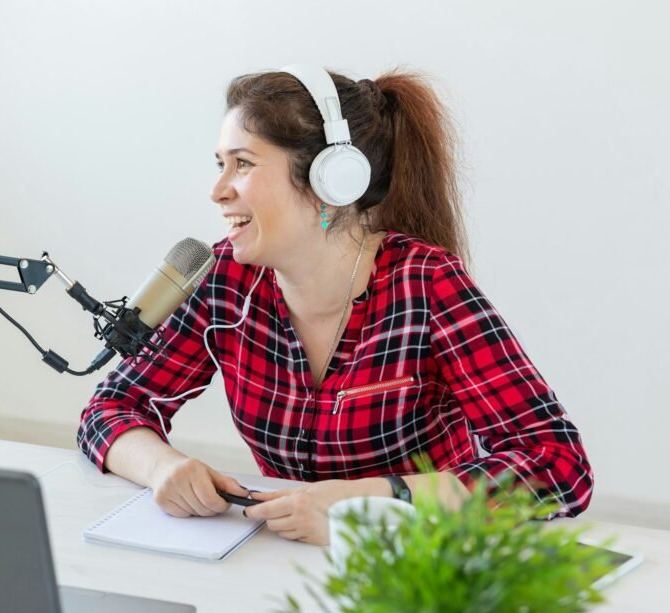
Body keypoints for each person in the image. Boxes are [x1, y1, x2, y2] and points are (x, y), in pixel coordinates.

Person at [77, 65, 592, 545]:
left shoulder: (426, 285)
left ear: (331, 179)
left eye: (242, 164)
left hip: (418, 567)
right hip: (282, 563)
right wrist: (162, 468)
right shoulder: (225, 280)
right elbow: (111, 408)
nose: (217, 190)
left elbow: (558, 466)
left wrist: (374, 504)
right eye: (220, 165)